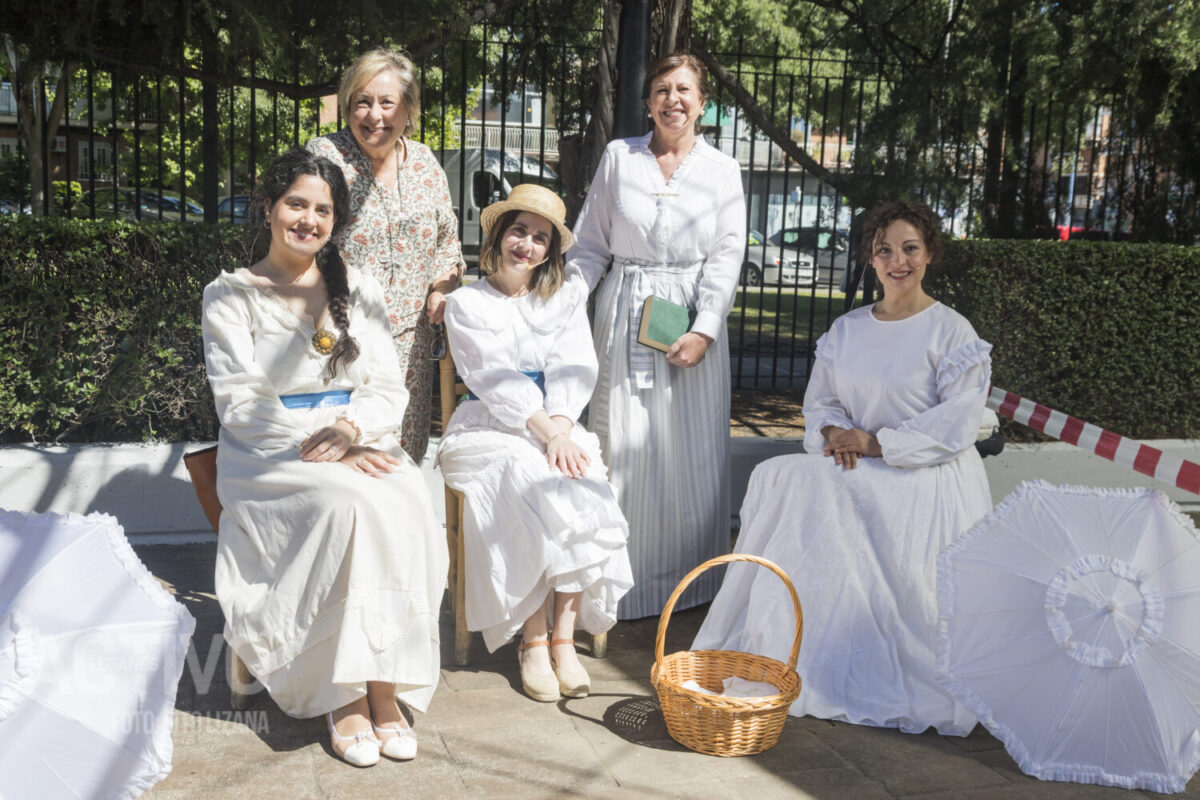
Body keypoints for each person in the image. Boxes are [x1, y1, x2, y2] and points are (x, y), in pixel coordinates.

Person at [692, 200, 993, 736]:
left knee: (807, 486)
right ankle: (790, 645)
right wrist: (833, 433)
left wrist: (876, 443)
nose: (897, 261)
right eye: (884, 251)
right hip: (856, 465)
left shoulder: (952, 332)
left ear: (930, 254)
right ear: (870, 261)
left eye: (909, 248)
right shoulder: (848, 329)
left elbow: (958, 422)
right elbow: (820, 404)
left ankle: (853, 650)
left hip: (922, 475)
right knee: (778, 476)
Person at [202, 149, 448, 767]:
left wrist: (349, 429)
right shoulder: (230, 295)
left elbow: (388, 385)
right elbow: (240, 402)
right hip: (270, 453)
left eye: (322, 209)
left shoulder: (356, 288)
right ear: (269, 207)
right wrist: (321, 450)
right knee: (347, 504)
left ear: (335, 220)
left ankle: (384, 682)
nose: (308, 219)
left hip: (351, 436)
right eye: (296, 204)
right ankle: (342, 693)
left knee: (408, 495)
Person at [566, 53, 746, 619]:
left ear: (702, 103)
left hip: (689, 316)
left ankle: (687, 586)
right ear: (648, 102)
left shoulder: (723, 170)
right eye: (662, 89)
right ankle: (616, 583)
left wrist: (704, 329)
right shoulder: (621, 158)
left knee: (686, 452)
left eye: (684, 90)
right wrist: (566, 306)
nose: (673, 99)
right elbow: (591, 243)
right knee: (620, 443)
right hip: (623, 318)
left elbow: (727, 256)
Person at [437, 184, 633, 702]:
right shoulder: (466, 303)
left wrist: (563, 431)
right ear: (499, 236)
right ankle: (532, 639)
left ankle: (564, 640)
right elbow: (494, 378)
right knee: (529, 480)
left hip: (556, 425)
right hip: (489, 428)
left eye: (540, 237)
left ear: (551, 250)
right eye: (518, 231)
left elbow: (574, 365)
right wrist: (547, 433)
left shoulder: (564, 298)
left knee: (579, 477)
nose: (527, 244)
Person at [307, 47, 464, 464]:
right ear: (347, 107)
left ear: (407, 109)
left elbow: (448, 242)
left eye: (386, 102)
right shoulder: (325, 158)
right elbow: (302, 239)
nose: (374, 115)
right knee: (350, 460)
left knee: (401, 459)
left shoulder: (426, 163)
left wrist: (442, 287)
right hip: (344, 340)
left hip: (413, 345)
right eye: (362, 101)